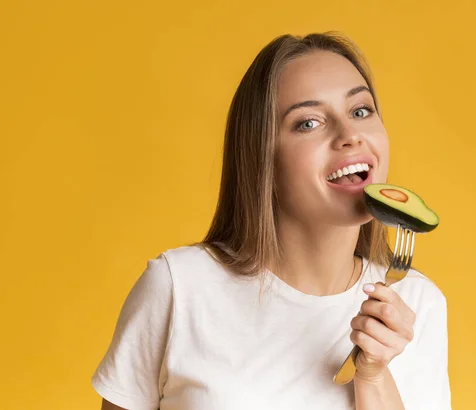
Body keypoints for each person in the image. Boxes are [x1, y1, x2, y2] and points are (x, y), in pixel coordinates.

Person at [92, 32, 451, 410]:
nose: (350, 136)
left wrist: (373, 375)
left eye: (360, 111)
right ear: (263, 158)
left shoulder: (417, 303)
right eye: (309, 123)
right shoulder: (179, 287)